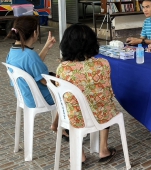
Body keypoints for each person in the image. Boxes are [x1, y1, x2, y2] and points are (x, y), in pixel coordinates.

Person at [57, 24, 118, 164]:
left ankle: (80, 155)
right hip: (100, 114)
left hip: (74, 117)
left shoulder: (63, 68)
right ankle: (103, 149)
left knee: (71, 109)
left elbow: (62, 96)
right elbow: (108, 93)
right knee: (106, 104)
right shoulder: (103, 63)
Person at [6, 16, 61, 134]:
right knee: (69, 93)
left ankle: (58, 125)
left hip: (24, 95)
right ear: (35, 33)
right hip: (39, 98)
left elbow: (32, 67)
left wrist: (46, 47)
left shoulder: (13, 51)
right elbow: (43, 80)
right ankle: (60, 126)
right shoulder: (30, 56)